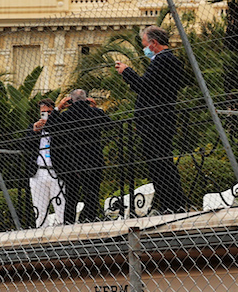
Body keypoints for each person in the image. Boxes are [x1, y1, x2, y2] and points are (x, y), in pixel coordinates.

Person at [115, 25, 187, 214]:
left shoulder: (162, 61)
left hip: (155, 122)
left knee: (159, 164)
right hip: (158, 120)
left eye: (145, 43)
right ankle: (171, 204)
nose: (144, 48)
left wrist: (126, 71)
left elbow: (144, 87)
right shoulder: (168, 61)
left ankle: (171, 204)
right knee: (160, 164)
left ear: (154, 43)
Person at [48, 89, 111, 224]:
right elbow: (109, 124)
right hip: (93, 158)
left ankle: (69, 223)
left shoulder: (66, 116)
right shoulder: (95, 113)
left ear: (71, 100)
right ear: (86, 99)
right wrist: (95, 108)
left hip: (72, 161)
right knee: (92, 192)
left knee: (71, 195)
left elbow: (49, 127)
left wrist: (58, 108)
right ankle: (89, 219)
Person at [28, 98, 64, 227]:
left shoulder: (59, 125)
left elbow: (62, 137)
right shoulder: (34, 127)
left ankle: (62, 231)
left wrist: (53, 119)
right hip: (38, 171)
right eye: (44, 112)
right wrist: (34, 132)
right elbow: (25, 145)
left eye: (50, 112)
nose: (47, 115)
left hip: (55, 170)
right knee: (39, 208)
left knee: (60, 206)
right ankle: (41, 232)